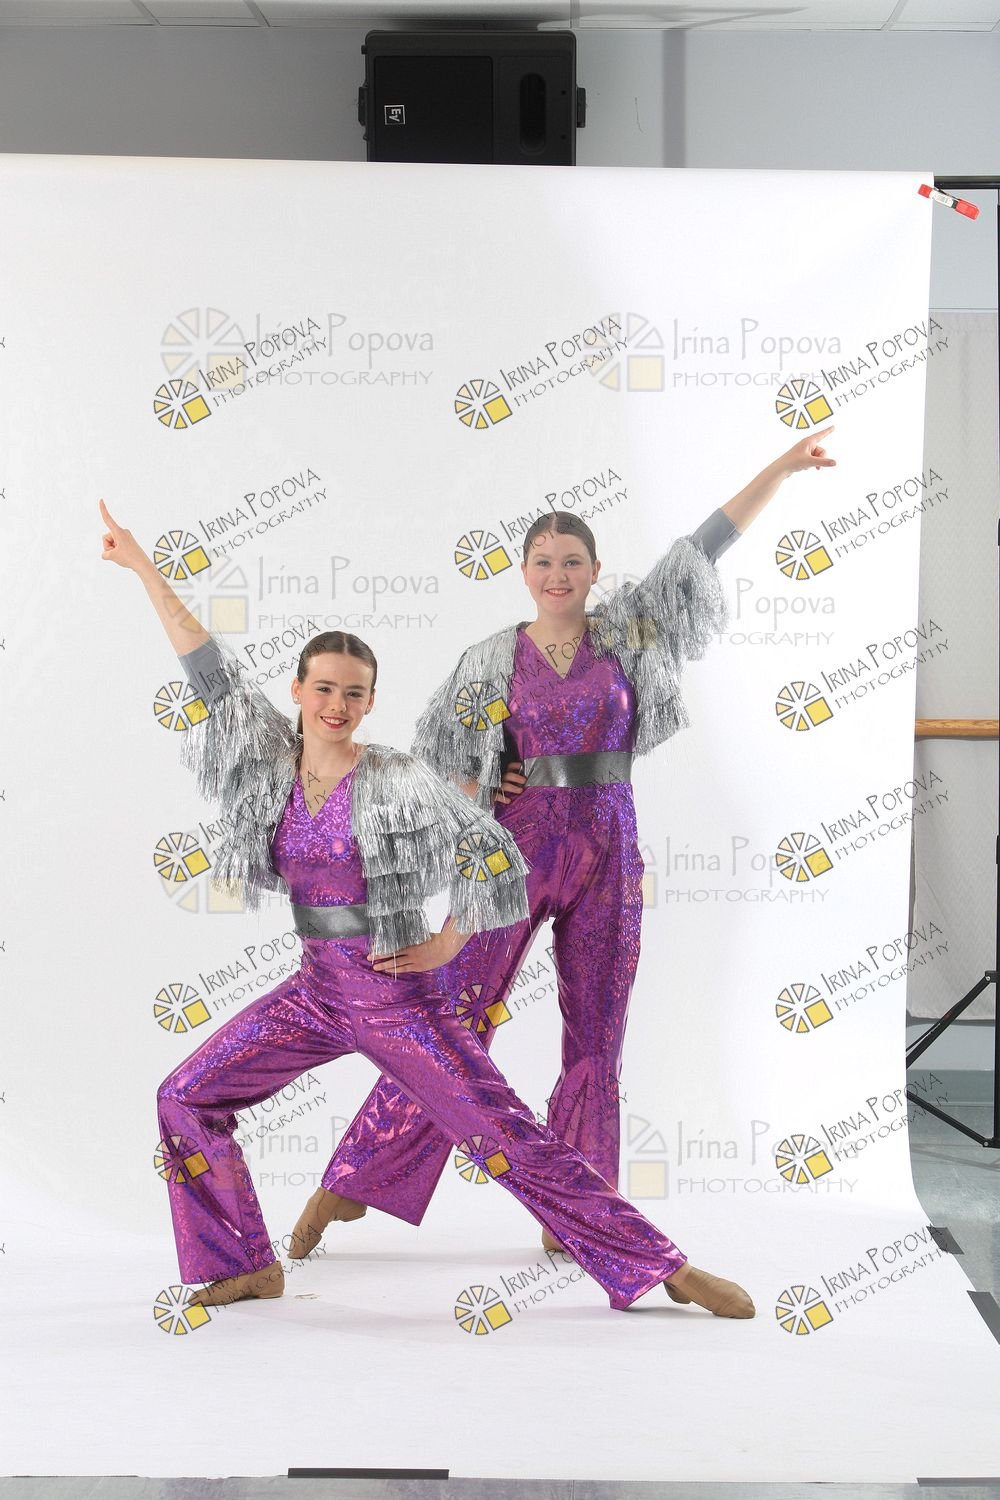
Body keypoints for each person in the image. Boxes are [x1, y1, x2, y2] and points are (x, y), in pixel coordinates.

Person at [99, 497, 755, 1317]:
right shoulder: (268, 763)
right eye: (323, 689)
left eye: (354, 693)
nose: (336, 705)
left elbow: (491, 851)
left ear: (370, 703)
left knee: (507, 1137)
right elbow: (208, 669)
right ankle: (245, 1264)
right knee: (185, 1095)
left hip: (396, 999)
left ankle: (661, 1266)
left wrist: (448, 943)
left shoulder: (396, 777)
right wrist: (142, 568)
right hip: (315, 992)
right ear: (297, 691)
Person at [291, 428, 837, 1257]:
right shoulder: (490, 659)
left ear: (594, 570)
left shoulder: (629, 633)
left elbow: (701, 549)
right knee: (456, 1015)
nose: (558, 574)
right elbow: (448, 771)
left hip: (610, 844)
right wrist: (491, 784)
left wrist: (784, 469)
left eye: (573, 561)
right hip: (517, 852)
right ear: (524, 572)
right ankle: (354, 1179)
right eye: (544, 562)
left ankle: (579, 1208)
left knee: (599, 1030)